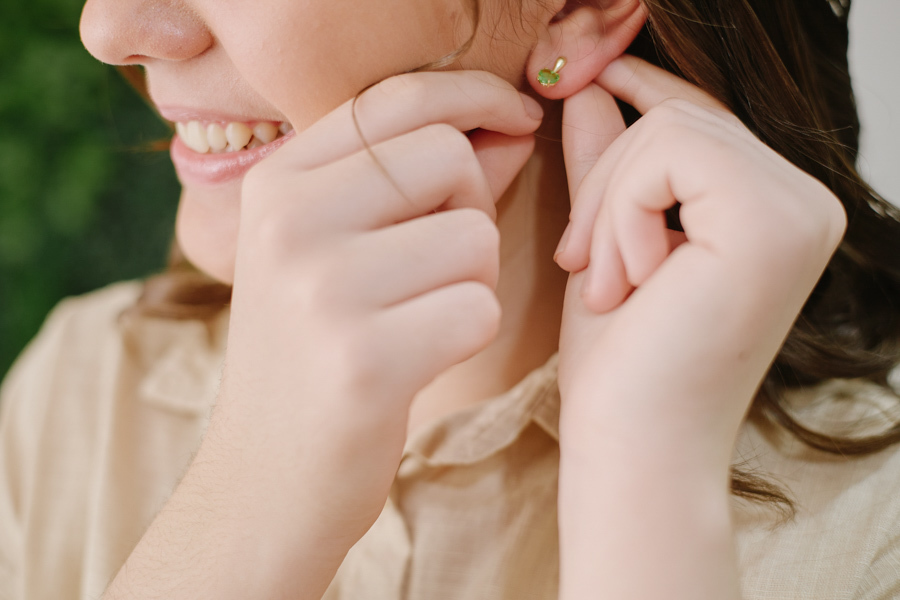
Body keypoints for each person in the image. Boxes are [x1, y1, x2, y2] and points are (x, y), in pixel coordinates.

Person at [2, 0, 900, 597]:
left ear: (575, 9)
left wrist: (644, 485)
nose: (109, 26)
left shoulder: (872, 530)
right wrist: (245, 502)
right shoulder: (81, 386)